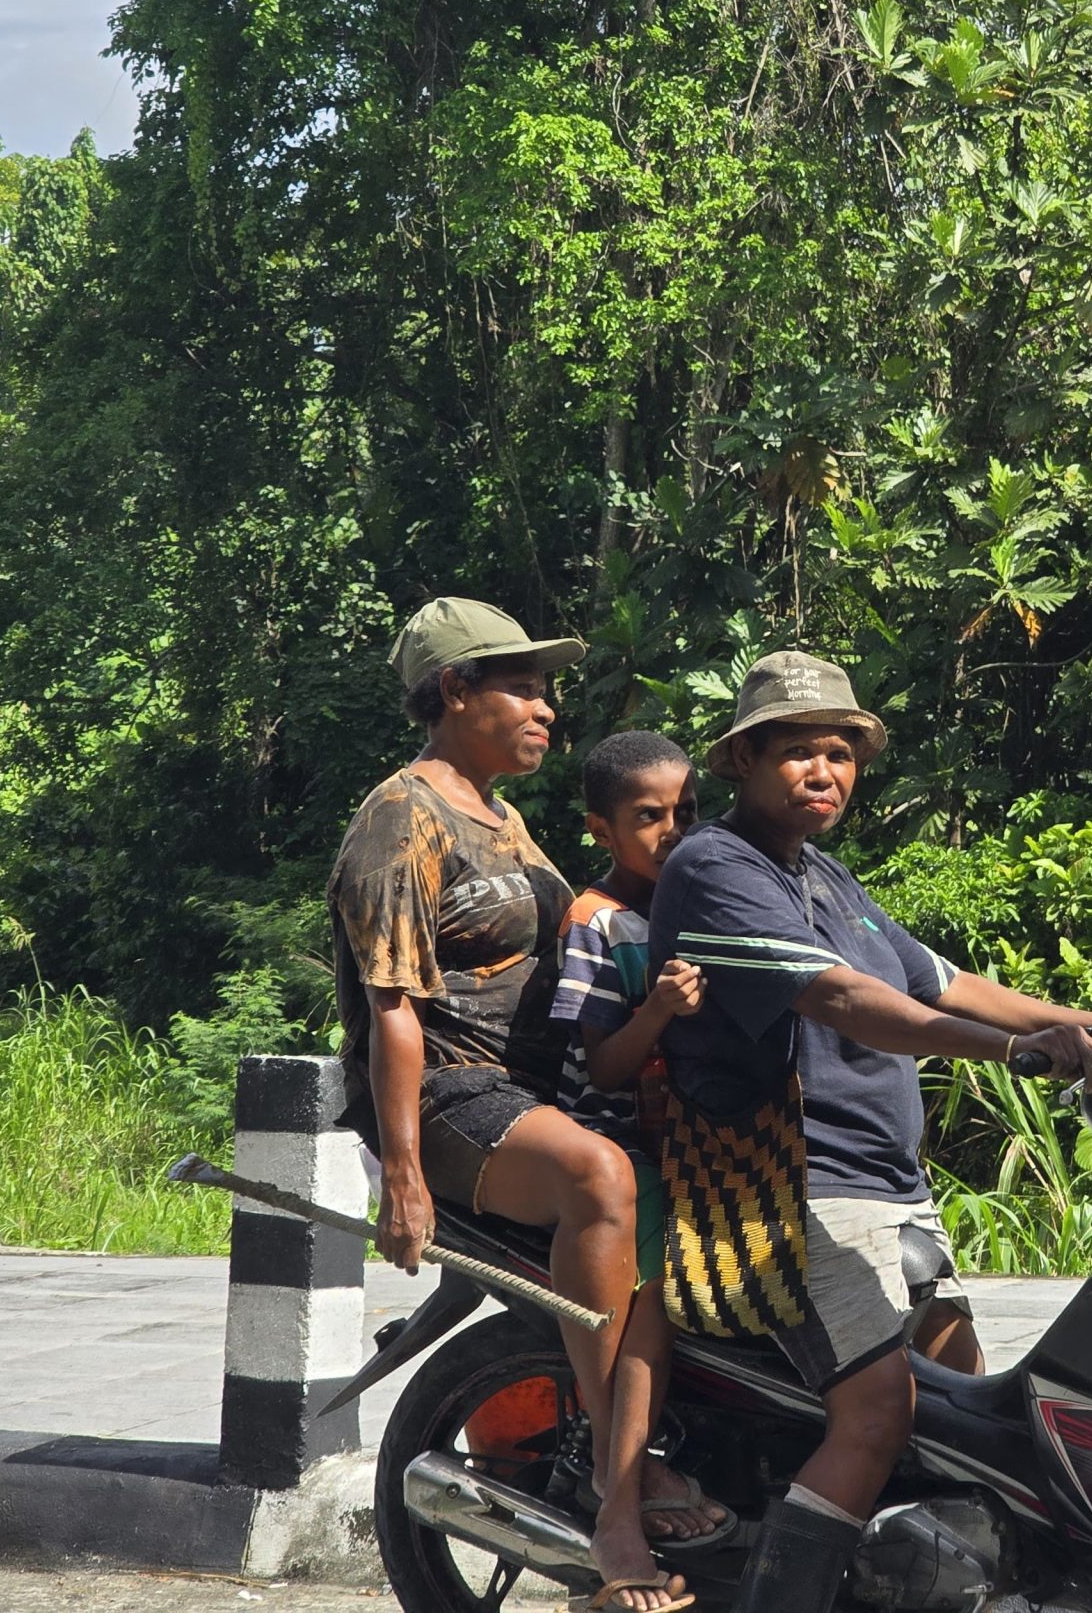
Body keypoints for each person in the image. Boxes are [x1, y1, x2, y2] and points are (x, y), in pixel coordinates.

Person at [646, 651, 1092, 1613]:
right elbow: (844, 999)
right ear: (743, 761)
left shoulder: (828, 877)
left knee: (964, 1411)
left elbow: (945, 984)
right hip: (794, 1188)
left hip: (891, 1186)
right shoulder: (715, 868)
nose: (824, 772)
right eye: (798, 752)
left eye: (841, 754)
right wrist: (1011, 1052)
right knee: (877, 1416)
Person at [327, 598, 689, 1613]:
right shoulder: (401, 817)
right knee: (599, 1178)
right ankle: (619, 1491)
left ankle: (670, 1447)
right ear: (454, 690)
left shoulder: (499, 815)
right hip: (452, 1094)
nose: (545, 710)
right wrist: (404, 1179)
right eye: (523, 689)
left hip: (531, 1093)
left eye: (545, 691)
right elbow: (392, 1009)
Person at [550, 730, 736, 1551]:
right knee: (661, 1292)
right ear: (602, 829)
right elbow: (603, 1067)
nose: (673, 832)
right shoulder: (596, 923)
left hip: (694, 1135)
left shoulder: (701, 906)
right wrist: (657, 1009)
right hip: (618, 1140)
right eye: (649, 816)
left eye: (686, 813)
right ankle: (624, 1468)